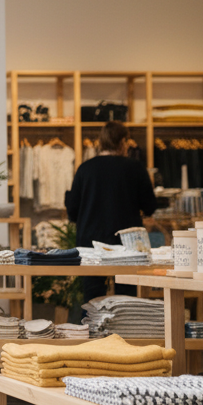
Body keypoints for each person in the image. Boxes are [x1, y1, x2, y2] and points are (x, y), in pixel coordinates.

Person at [64, 121, 158, 305]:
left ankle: (94, 332)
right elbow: (150, 206)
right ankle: (125, 332)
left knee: (92, 296)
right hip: (127, 243)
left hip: (90, 241)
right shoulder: (135, 168)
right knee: (126, 295)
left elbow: (72, 211)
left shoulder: (85, 169)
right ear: (122, 141)